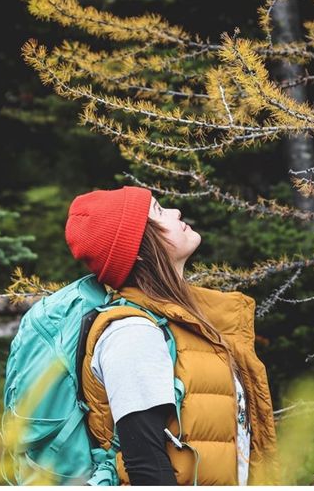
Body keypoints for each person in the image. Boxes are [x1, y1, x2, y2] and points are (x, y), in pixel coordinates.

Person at [65, 186, 278, 485]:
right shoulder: (133, 334)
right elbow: (147, 467)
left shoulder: (187, 322)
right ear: (139, 251)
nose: (176, 212)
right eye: (158, 211)